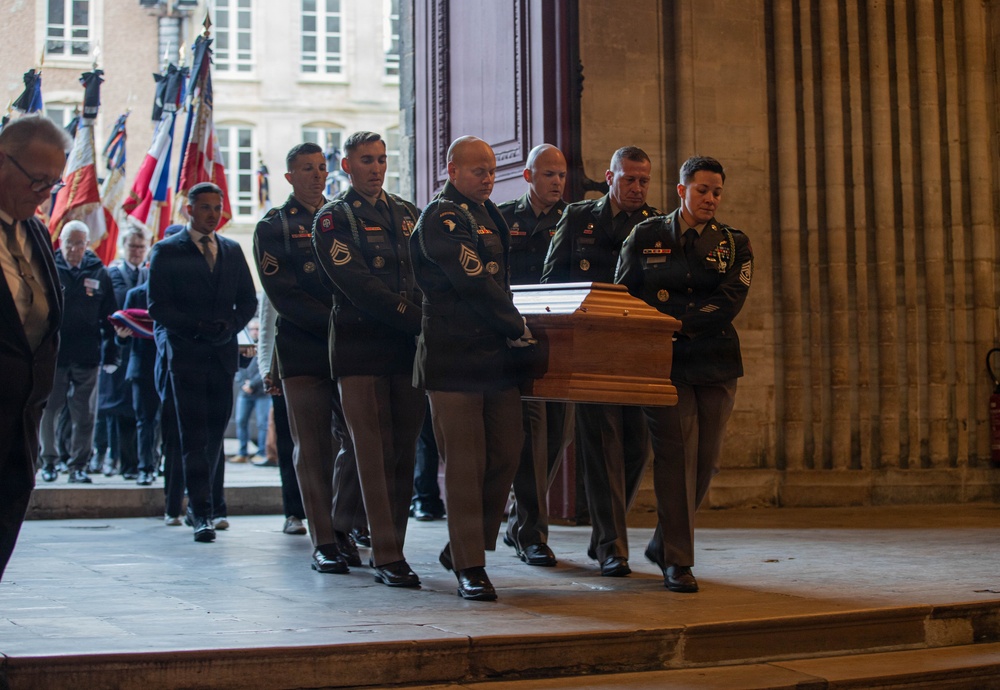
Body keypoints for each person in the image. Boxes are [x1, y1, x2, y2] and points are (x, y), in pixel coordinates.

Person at [616, 155, 753, 592]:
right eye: (702, 190)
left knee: (705, 462)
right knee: (675, 458)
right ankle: (678, 560)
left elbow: (730, 299)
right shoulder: (646, 235)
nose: (710, 199)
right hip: (663, 363)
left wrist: (677, 320)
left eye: (716, 192)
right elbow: (626, 293)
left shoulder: (734, 243)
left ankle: (663, 541)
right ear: (681, 191)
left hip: (714, 361)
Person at [411, 135, 531, 601]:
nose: (487, 177)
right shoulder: (440, 216)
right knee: (464, 463)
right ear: (451, 169)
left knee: (506, 454)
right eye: (477, 169)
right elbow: (474, 281)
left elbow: (502, 281)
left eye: (491, 170)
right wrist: (516, 324)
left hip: (495, 358)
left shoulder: (489, 214)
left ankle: (464, 544)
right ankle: (470, 565)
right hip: (453, 357)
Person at [541, 146, 660, 577]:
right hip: (591, 347)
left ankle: (605, 536)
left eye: (644, 180)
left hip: (638, 350)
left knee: (636, 446)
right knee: (601, 442)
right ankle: (612, 545)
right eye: (629, 179)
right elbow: (552, 280)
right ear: (610, 178)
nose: (637, 188)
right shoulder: (576, 218)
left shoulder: (656, 225)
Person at [313, 131, 424, 588]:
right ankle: (385, 552)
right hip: (361, 349)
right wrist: (417, 318)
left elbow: (426, 270)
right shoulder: (332, 219)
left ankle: (387, 538)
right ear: (347, 166)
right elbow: (358, 284)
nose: (376, 168)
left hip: (406, 349)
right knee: (371, 451)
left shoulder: (407, 213)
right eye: (365, 160)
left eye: (381, 159)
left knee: (401, 453)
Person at [253, 142, 365, 575]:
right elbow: (285, 295)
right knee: (312, 447)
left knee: (359, 440)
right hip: (303, 349)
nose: (317, 176)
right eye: (306, 169)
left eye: (321, 168)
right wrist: (341, 321)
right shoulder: (273, 226)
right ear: (289, 177)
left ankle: (341, 525)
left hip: (351, 349)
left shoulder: (343, 218)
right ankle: (322, 540)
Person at [147, 182, 257, 542]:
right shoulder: (167, 250)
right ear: (189, 210)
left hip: (222, 355)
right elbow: (158, 308)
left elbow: (247, 300)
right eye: (205, 207)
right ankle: (200, 513)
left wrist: (231, 326)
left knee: (214, 436)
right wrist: (195, 327)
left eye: (217, 207)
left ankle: (209, 504)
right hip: (187, 357)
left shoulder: (231, 249)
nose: (212, 214)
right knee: (193, 437)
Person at [0, 115, 68, 580]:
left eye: (54, 182)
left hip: (21, 420)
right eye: (37, 179)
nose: (46, 192)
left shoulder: (38, 231)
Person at [497, 144, 569, 567]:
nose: (557, 182)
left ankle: (520, 520)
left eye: (561, 175)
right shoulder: (505, 219)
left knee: (558, 436)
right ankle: (532, 533)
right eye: (548, 175)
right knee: (532, 437)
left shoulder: (575, 221)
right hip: (520, 341)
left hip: (563, 342)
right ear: (528, 177)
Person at [38, 220, 119, 484]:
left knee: (85, 414)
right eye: (69, 242)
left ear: (87, 244)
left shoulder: (99, 272)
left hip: (87, 355)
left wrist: (111, 354)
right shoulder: (48, 268)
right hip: (55, 355)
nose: (73, 248)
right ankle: (49, 461)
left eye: (79, 243)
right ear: (60, 242)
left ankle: (78, 465)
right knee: (49, 411)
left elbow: (110, 318)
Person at [96, 223, 150, 479]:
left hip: (141, 351)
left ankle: (136, 462)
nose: (137, 251)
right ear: (124, 247)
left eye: (141, 246)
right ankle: (112, 457)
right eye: (133, 246)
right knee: (114, 409)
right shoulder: (111, 274)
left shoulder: (150, 276)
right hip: (117, 350)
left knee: (136, 409)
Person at [256, 292, 308, 535]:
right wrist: (267, 369)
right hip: (284, 368)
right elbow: (267, 327)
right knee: (288, 445)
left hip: (326, 364)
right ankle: (293, 512)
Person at [232, 318, 270, 464]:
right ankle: (242, 452)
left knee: (262, 423)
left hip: (261, 392)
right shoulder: (242, 346)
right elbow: (238, 367)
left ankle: (262, 452)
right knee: (240, 421)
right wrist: (243, 384)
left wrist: (253, 384)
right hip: (244, 392)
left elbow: (265, 369)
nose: (254, 331)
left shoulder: (264, 347)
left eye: (257, 329)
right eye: (252, 329)